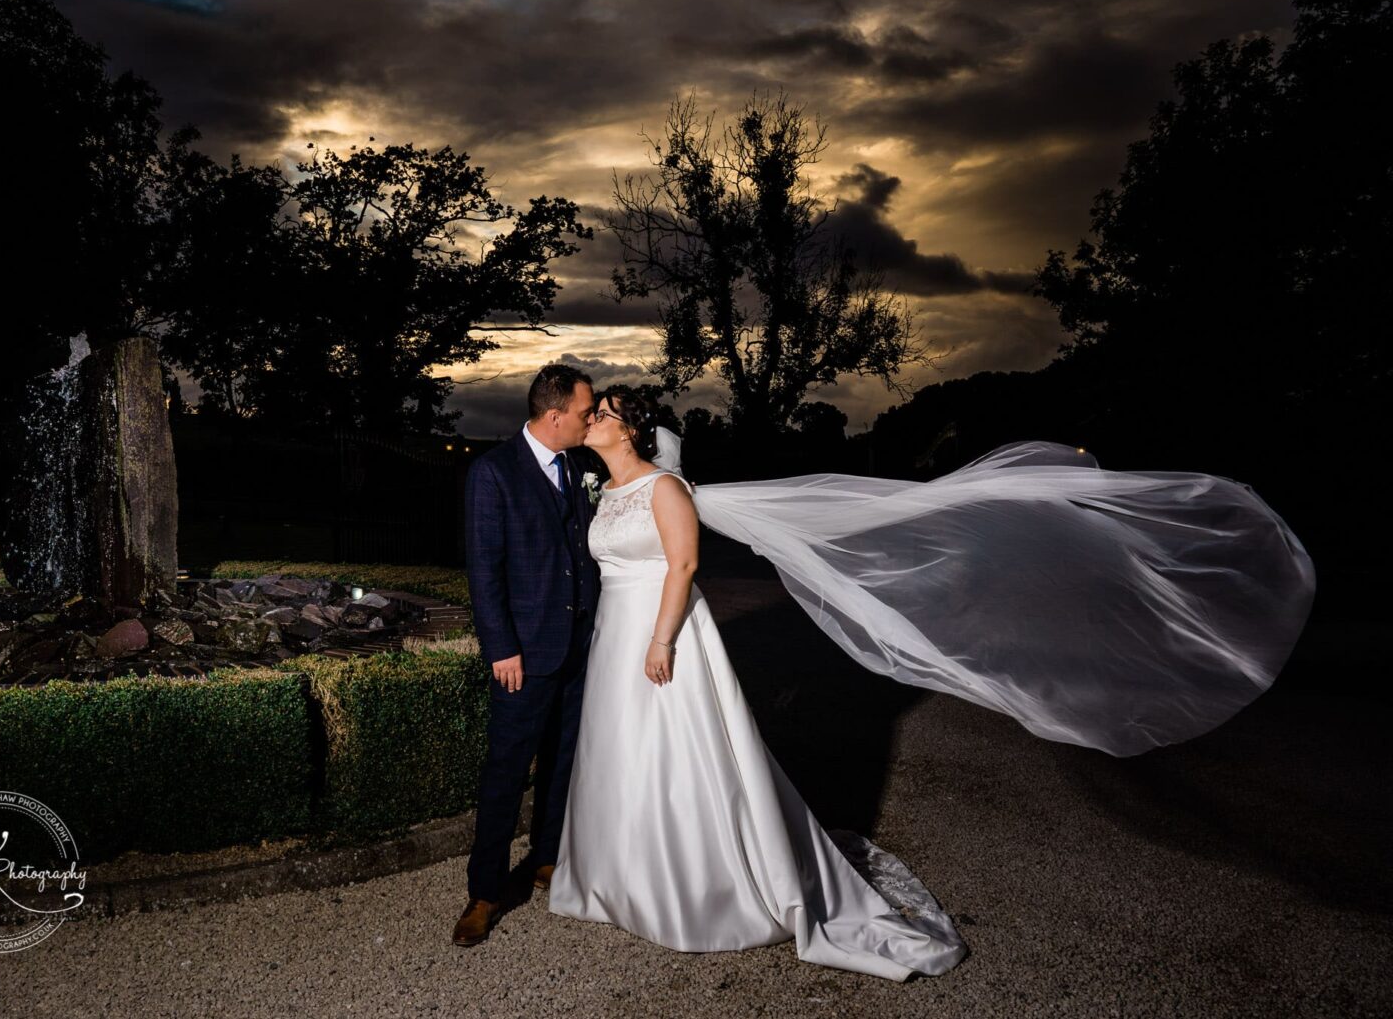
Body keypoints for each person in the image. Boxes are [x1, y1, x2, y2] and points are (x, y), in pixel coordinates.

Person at [543, 383, 1316, 979]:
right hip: (617, 632)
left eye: (606, 411)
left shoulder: (666, 490)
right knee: (620, 753)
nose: (597, 418)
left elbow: (682, 564)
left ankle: (699, 887)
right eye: (595, 411)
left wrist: (662, 636)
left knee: (678, 755)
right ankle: (617, 875)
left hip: (661, 631)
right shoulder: (604, 492)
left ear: (631, 428)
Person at [452, 363, 603, 946]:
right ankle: (485, 892)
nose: (590, 422)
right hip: (524, 652)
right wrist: (502, 647)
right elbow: (484, 568)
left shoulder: (582, 465)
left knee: (565, 759)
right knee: (506, 771)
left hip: (580, 648)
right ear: (554, 415)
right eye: (585, 413)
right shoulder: (494, 473)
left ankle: (546, 856)